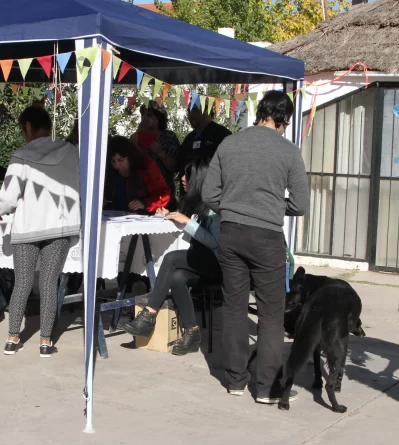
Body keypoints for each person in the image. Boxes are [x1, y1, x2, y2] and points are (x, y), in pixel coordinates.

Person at [202, 90, 309, 404]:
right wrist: (274, 206)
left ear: (259, 111)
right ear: (283, 120)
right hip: (267, 238)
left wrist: (234, 206)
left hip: (231, 233)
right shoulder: (288, 151)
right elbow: (301, 204)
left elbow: (209, 195)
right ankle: (265, 388)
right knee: (271, 314)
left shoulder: (229, 143)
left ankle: (234, 381)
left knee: (234, 308)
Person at [0, 106, 81, 358]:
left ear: (29, 127)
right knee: (48, 282)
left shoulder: (21, 155)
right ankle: (45, 341)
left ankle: (12, 338)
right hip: (60, 225)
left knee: (22, 282)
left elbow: (8, 198)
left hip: (28, 227)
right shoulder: (71, 151)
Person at [122, 155, 220, 355]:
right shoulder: (195, 202)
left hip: (220, 266)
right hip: (202, 263)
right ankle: (192, 334)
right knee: (176, 277)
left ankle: (149, 315)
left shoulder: (215, 205)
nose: (182, 179)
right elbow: (192, 231)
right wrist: (168, 216)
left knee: (172, 258)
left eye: (187, 175)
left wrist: (187, 222)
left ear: (200, 178)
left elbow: (214, 242)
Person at [131, 101, 181, 209]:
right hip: (141, 194)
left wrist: (160, 153)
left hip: (165, 195)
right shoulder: (137, 136)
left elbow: (175, 166)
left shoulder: (169, 137)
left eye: (149, 115)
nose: (145, 118)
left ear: (159, 118)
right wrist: (138, 135)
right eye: (143, 114)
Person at [105, 135, 171, 214]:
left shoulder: (146, 166)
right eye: (113, 161)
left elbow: (164, 194)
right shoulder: (108, 170)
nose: (117, 165)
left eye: (120, 160)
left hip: (141, 220)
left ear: (130, 157)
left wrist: (144, 203)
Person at [178, 102, 231, 170]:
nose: (190, 115)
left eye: (194, 110)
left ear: (207, 112)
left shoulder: (222, 134)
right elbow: (180, 164)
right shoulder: (189, 139)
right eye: (189, 111)